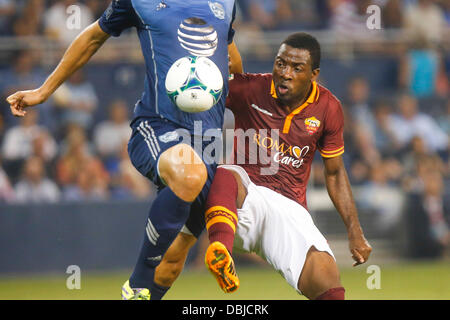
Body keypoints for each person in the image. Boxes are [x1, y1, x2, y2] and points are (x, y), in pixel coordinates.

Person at [6, 0, 240, 300]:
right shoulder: (138, 2)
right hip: (158, 127)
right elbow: (92, 36)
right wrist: (43, 91)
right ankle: (137, 284)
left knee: (171, 263)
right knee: (189, 174)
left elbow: (231, 59)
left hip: (206, 144)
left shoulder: (225, 4)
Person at [151, 32, 372, 300]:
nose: (285, 73)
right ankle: (220, 250)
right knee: (226, 172)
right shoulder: (251, 89)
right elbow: (210, 87)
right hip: (240, 203)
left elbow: (335, 174)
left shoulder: (328, 108)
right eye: (281, 63)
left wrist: (355, 231)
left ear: (314, 74)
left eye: (296, 68)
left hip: (289, 210)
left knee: (327, 282)